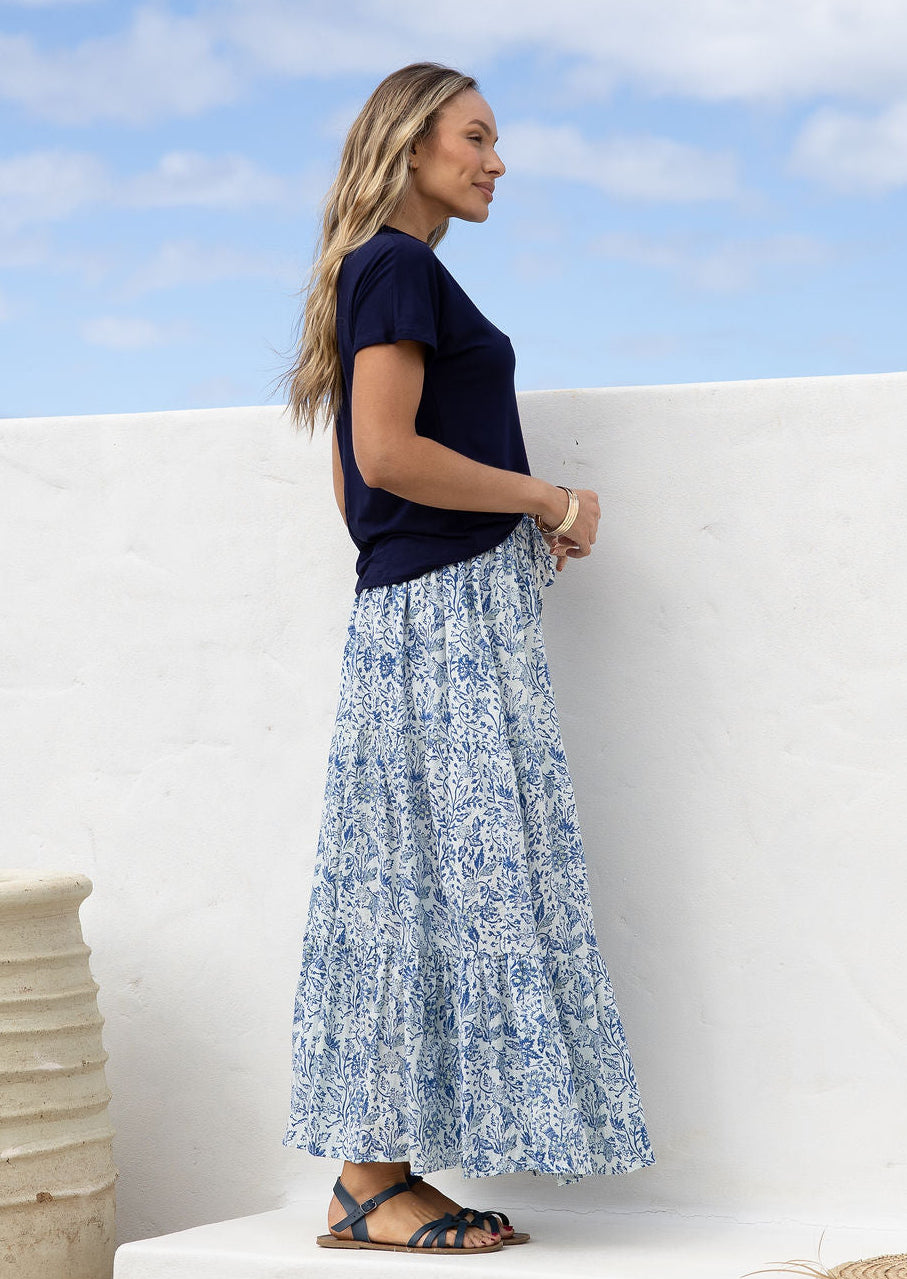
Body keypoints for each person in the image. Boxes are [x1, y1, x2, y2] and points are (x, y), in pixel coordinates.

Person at [274, 61, 655, 1256]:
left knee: (416, 880)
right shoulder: (395, 266)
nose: (496, 160)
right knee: (419, 882)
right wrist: (545, 502)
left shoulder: (385, 273)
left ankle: (374, 1176)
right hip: (439, 618)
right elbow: (385, 456)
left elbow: (354, 480)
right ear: (410, 145)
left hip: (432, 609)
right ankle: (368, 1178)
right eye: (476, 137)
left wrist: (475, 539)